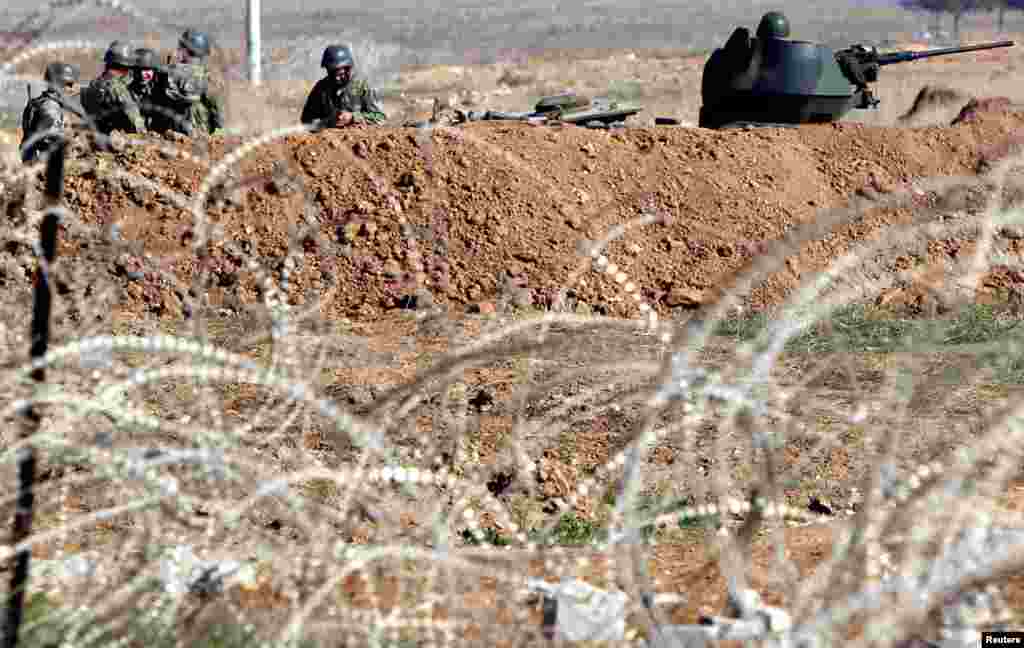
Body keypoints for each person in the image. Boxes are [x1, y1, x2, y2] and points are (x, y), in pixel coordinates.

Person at [152, 29, 225, 136]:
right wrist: (219, 128)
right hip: (198, 132)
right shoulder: (208, 76)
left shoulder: (168, 71)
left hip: (170, 129)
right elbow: (216, 107)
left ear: (185, 49)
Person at [300, 45, 386, 130]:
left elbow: (380, 117)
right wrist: (328, 122)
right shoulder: (321, 88)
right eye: (332, 73)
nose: (337, 78)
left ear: (348, 69)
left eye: (340, 74)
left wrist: (353, 117)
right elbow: (306, 121)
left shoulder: (364, 85)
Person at [80, 41, 147, 135]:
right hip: (116, 139)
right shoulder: (118, 89)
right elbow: (137, 124)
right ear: (126, 66)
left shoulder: (94, 84)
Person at [20, 62, 80, 163]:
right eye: (69, 85)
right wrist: (72, 141)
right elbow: (49, 140)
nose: (71, 89)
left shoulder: (39, 102)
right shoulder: (51, 107)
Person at [131, 47, 160, 128]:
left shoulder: (160, 90)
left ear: (154, 71)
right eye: (138, 70)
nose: (143, 74)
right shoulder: (126, 90)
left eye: (147, 70)